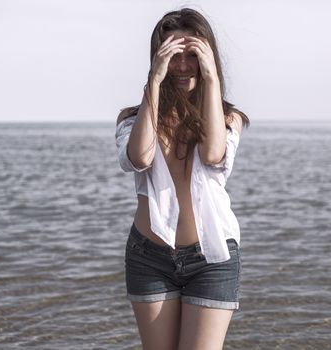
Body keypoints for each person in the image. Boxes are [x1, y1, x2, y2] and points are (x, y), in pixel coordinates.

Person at [115, 8, 250, 350]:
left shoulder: (228, 117)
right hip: (149, 256)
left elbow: (213, 155)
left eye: (193, 55)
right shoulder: (133, 117)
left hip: (212, 258)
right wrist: (154, 81)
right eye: (174, 56)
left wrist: (213, 79)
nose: (183, 65)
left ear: (207, 57)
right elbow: (140, 158)